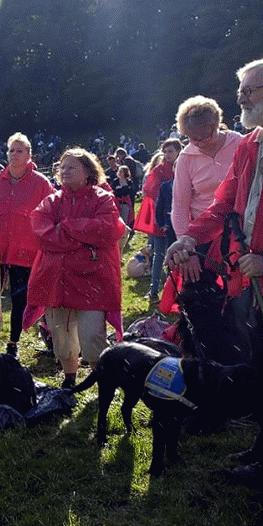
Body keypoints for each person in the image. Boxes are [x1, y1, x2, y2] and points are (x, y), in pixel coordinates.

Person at [165, 59, 263, 486]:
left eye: (249, 90)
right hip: (245, 268)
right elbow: (223, 203)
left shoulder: (240, 142)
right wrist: (188, 239)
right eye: (240, 90)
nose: (240, 98)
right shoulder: (252, 144)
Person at [25, 148, 126, 388]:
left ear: (88, 171)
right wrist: (82, 239)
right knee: (61, 337)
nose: (65, 170)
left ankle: (102, 381)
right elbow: (42, 233)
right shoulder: (51, 201)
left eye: (71, 166)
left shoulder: (103, 199)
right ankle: (69, 379)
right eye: (62, 166)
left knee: (92, 337)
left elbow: (106, 229)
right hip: (57, 280)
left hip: (92, 280)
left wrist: (67, 226)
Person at [0, 133, 54, 357]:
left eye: (20, 151)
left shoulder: (41, 184)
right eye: (11, 150)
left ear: (29, 155)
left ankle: (13, 342)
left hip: (26, 251)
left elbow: (50, 216)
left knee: (19, 299)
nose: (14, 155)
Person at [171, 95, 244, 237]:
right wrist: (184, 241)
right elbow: (180, 207)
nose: (198, 143)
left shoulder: (239, 143)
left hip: (241, 227)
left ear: (215, 125)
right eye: (192, 139)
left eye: (203, 138)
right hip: (204, 232)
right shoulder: (185, 158)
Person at [134, 139, 182, 302]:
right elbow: (150, 191)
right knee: (159, 255)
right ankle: (154, 290)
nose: (167, 155)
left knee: (178, 256)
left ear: (178, 151)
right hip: (162, 219)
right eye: (165, 152)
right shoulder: (159, 170)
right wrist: (160, 219)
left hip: (180, 219)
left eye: (171, 151)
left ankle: (175, 292)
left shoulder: (184, 166)